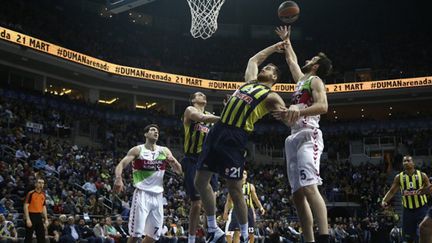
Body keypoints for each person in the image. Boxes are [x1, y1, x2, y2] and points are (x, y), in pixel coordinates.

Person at [194, 40, 288, 243]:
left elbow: (287, 116)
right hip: (217, 131)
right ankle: (212, 229)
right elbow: (254, 59)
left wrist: (292, 114)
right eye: (266, 66)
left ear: (274, 78)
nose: (265, 67)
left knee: (235, 190)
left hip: (234, 137)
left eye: (270, 69)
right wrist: (275, 47)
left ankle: (245, 236)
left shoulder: (271, 96)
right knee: (200, 181)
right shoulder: (249, 82)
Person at [274, 25, 332, 243]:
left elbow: (323, 107)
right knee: (297, 195)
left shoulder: (316, 81)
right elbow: (291, 61)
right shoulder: (302, 80)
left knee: (309, 186)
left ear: (315, 66)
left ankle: (324, 236)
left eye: (312, 58)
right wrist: (287, 42)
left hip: (309, 134)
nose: (308, 59)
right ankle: (309, 240)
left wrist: (297, 111)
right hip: (293, 137)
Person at [114, 124, 182, 243]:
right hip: (142, 195)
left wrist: (174, 163)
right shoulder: (138, 150)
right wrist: (118, 178)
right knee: (135, 235)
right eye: (152, 130)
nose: (156, 132)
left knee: (153, 237)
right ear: (146, 134)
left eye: (157, 131)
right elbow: (121, 164)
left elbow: (179, 170)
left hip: (158, 197)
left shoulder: (164, 150)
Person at [182, 92, 220, 243]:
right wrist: (224, 118)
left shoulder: (211, 116)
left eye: (203, 95)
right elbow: (201, 118)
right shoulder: (189, 110)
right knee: (196, 203)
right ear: (192, 99)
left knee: (212, 200)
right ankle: (191, 239)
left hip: (209, 160)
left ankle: (210, 233)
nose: (202, 96)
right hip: (192, 159)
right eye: (198, 95)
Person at [382, 155, 430, 243]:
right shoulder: (399, 177)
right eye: (404, 161)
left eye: (408, 160)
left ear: (413, 163)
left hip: (422, 208)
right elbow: (392, 191)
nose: (406, 162)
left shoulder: (422, 175)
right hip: (408, 210)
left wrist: (425, 191)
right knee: (408, 238)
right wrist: (384, 200)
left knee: (424, 233)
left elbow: (430, 190)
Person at [223, 170, 265, 243]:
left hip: (248, 210)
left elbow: (255, 199)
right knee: (236, 231)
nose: (243, 175)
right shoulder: (234, 186)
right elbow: (228, 201)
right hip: (236, 210)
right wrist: (226, 212)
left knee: (251, 233)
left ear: (247, 176)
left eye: (245, 173)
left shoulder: (250, 186)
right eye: (242, 173)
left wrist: (260, 207)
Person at [24, 177, 48, 243]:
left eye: (42, 183)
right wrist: (28, 219)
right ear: (35, 184)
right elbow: (26, 206)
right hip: (31, 215)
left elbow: (44, 207)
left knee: (41, 235)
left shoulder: (43, 194)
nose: (41, 184)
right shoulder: (30, 193)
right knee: (28, 236)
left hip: (39, 216)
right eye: (39, 183)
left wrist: (46, 219)